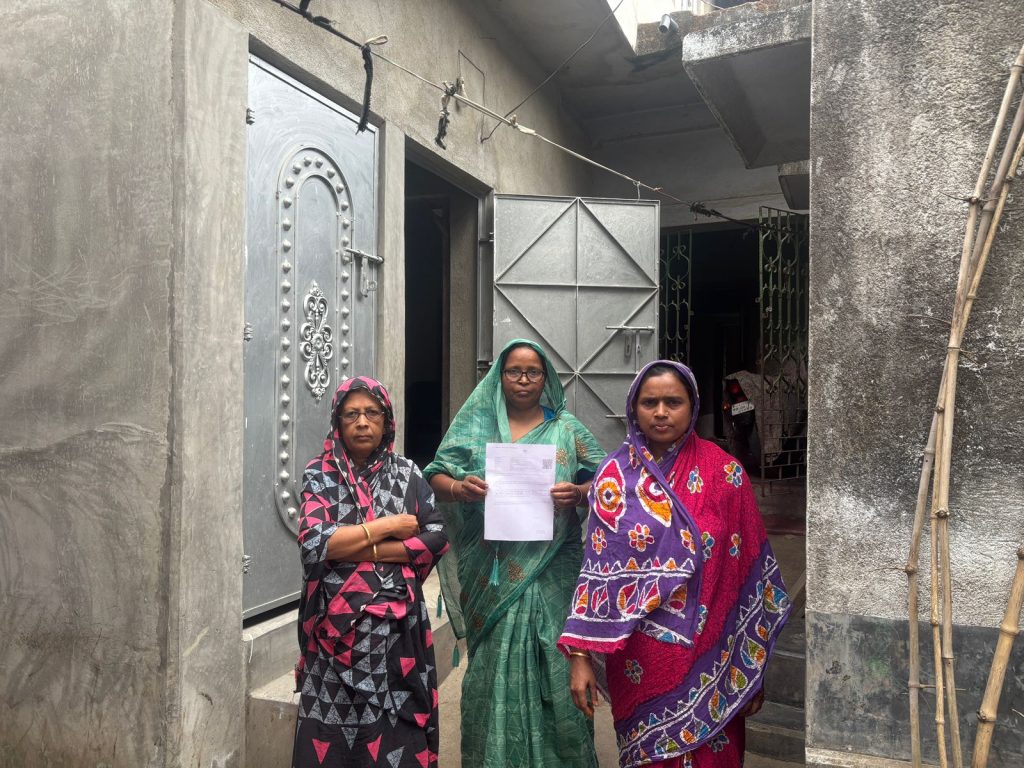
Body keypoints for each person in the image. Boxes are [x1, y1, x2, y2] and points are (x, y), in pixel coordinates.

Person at [559, 360, 791, 768]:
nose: (661, 412)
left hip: (716, 654)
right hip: (640, 657)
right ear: (634, 408)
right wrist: (580, 656)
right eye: (650, 403)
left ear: (692, 405)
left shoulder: (726, 474)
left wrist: (750, 666)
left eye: (673, 402)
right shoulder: (614, 478)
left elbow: (750, 572)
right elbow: (596, 571)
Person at [423, 339, 605, 768]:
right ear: (499, 376)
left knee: (559, 667)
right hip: (493, 572)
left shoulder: (566, 429)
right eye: (514, 371)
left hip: (554, 568)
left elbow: (608, 479)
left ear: (547, 379)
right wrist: (460, 488)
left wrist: (579, 493)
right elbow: (436, 474)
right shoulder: (477, 425)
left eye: (533, 372)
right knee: (493, 668)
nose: (523, 380)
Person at [293, 376, 449, 768]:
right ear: (337, 422)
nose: (362, 422)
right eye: (351, 414)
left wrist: (356, 546)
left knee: (397, 740)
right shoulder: (319, 474)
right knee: (330, 745)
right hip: (332, 638)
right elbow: (314, 544)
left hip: (398, 638)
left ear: (386, 420)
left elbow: (435, 537)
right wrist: (388, 526)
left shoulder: (408, 474)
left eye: (371, 413)